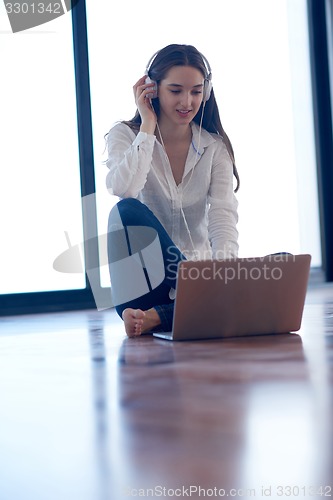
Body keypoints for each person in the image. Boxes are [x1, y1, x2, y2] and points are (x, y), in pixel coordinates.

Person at [105, 44, 240, 338]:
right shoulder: (126, 135)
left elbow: (222, 219)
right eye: (176, 90)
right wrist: (148, 125)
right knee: (126, 210)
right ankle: (204, 298)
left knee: (282, 260)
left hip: (200, 282)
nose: (187, 101)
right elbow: (124, 188)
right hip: (142, 286)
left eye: (195, 91)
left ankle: (161, 316)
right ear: (151, 90)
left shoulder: (214, 149)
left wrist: (227, 278)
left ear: (206, 91)